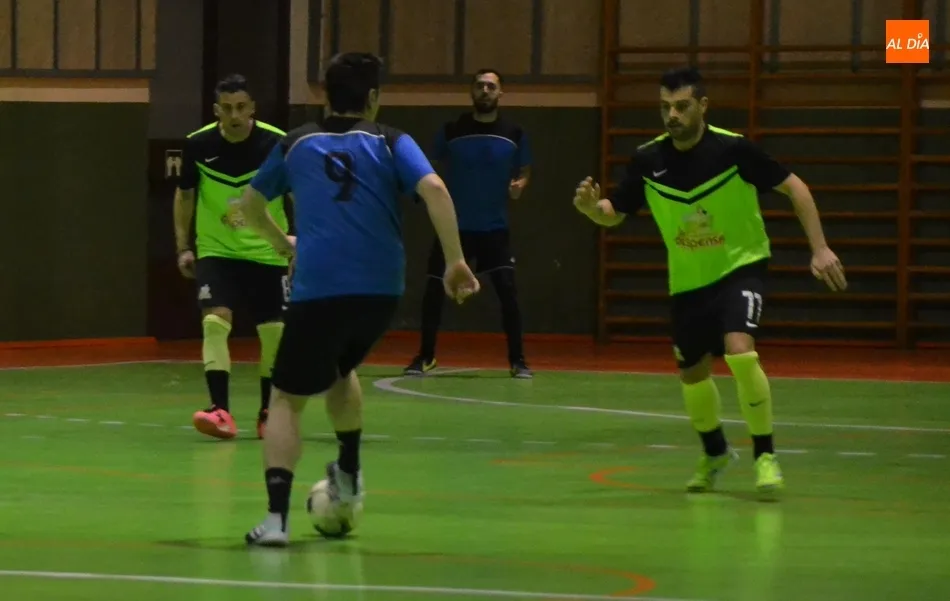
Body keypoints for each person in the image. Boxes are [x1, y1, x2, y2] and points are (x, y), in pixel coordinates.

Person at [234, 52, 480, 546]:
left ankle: (276, 520)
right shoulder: (391, 140)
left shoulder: (296, 143)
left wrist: (284, 244)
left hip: (321, 287)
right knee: (340, 368)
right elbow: (434, 187)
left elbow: (251, 205)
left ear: (324, 96)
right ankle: (348, 470)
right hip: (381, 291)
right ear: (372, 98)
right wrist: (455, 260)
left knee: (286, 398)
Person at [572, 67, 847, 499]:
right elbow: (616, 209)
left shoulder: (733, 150)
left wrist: (820, 247)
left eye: (682, 106)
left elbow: (796, 188)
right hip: (688, 281)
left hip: (741, 266)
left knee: (740, 351)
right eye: (665, 107)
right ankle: (715, 452)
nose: (673, 115)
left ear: (702, 106)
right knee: (692, 374)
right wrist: (592, 210)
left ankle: (765, 456)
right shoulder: (648, 160)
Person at [173, 74, 292, 441]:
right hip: (217, 249)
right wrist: (183, 246)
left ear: (252, 107)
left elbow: (297, 194)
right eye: (227, 109)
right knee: (214, 321)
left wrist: (298, 246)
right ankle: (220, 410)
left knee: (273, 333)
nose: (235, 115)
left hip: (267, 251)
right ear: (216, 110)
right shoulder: (198, 144)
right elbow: (185, 195)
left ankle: (268, 411)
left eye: (241, 107)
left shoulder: (278, 144)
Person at [403, 69, 534, 379]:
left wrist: (521, 184)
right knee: (434, 290)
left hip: (494, 229)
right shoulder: (451, 131)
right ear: (472, 92)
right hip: (453, 229)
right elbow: (430, 168)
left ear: (500, 93)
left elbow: (524, 169)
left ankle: (518, 360)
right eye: (480, 86)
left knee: (508, 293)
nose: (485, 90)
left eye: (491, 86)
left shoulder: (514, 133)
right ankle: (426, 356)